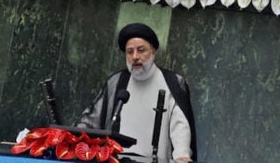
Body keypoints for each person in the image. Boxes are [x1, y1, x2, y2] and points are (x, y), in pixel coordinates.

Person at [77, 23, 196, 162]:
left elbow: (180, 127)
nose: (135, 57)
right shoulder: (116, 82)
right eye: (130, 52)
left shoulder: (173, 82)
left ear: (153, 52)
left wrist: (182, 156)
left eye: (141, 50)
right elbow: (91, 122)